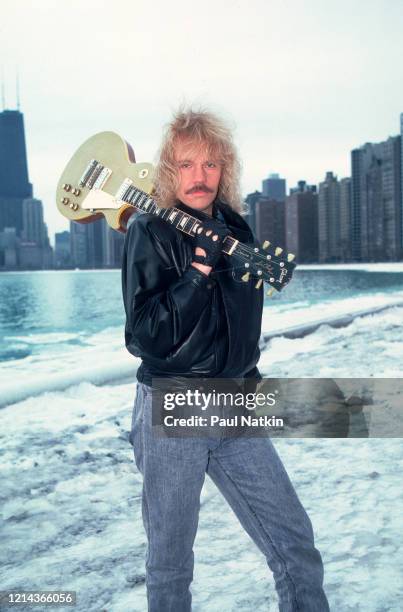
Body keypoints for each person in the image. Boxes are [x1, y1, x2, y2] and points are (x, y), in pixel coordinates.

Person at [121, 107, 330, 611]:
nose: (200, 176)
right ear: (170, 169)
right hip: (171, 406)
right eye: (188, 164)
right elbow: (144, 335)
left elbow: (243, 328)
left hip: (233, 404)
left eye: (211, 164)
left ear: (225, 169)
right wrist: (196, 274)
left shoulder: (237, 228)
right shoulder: (149, 230)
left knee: (295, 545)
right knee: (170, 567)